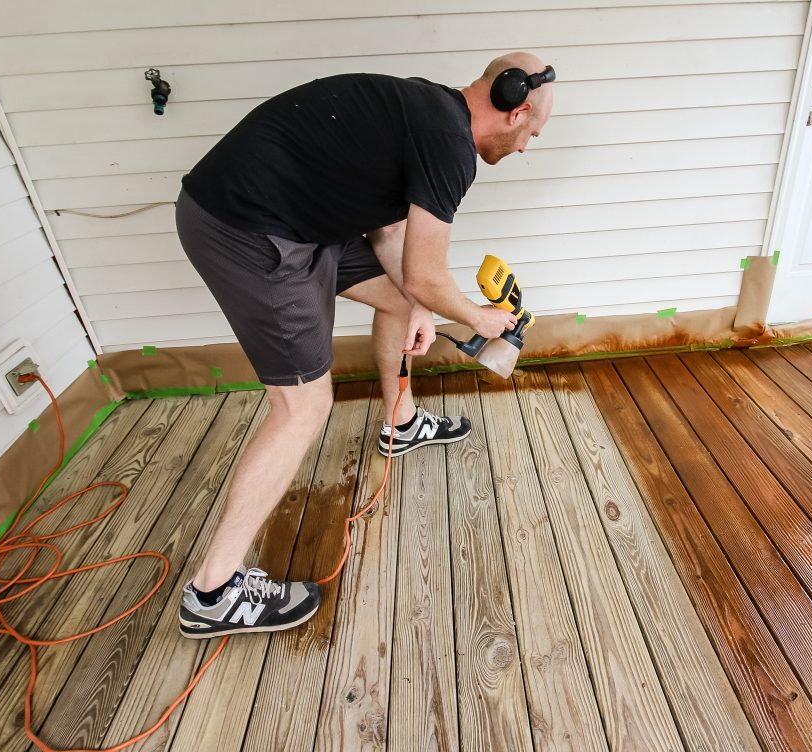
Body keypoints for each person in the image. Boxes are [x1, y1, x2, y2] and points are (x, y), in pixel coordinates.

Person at [176, 52, 555, 638]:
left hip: (299, 221)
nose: (528, 146)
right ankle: (212, 592)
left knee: (405, 302)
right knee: (303, 406)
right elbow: (427, 271)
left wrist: (423, 304)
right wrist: (478, 317)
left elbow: (392, 232)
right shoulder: (451, 144)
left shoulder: (432, 109)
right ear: (516, 109)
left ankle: (399, 423)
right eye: (533, 132)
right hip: (245, 226)